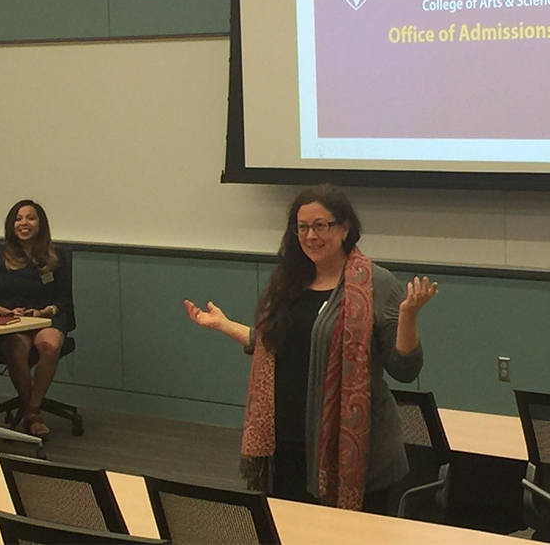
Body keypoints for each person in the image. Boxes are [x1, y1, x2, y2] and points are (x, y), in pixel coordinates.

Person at [184, 185, 438, 513]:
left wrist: (408, 315)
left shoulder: (376, 283)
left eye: (321, 225)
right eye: (302, 227)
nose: (311, 235)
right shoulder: (289, 282)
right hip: (288, 445)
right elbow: (273, 346)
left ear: (345, 228)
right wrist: (223, 324)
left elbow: (404, 369)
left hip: (358, 456)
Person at [0, 199, 72, 438]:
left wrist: (43, 312)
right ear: (11, 224)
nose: (24, 223)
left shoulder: (56, 256)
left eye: (30, 218)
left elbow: (63, 300)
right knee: (16, 350)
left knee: (50, 346)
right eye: (18, 218)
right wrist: (5, 311)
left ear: (40, 224)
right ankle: (32, 413)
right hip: (13, 321)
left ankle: (31, 409)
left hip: (46, 318)